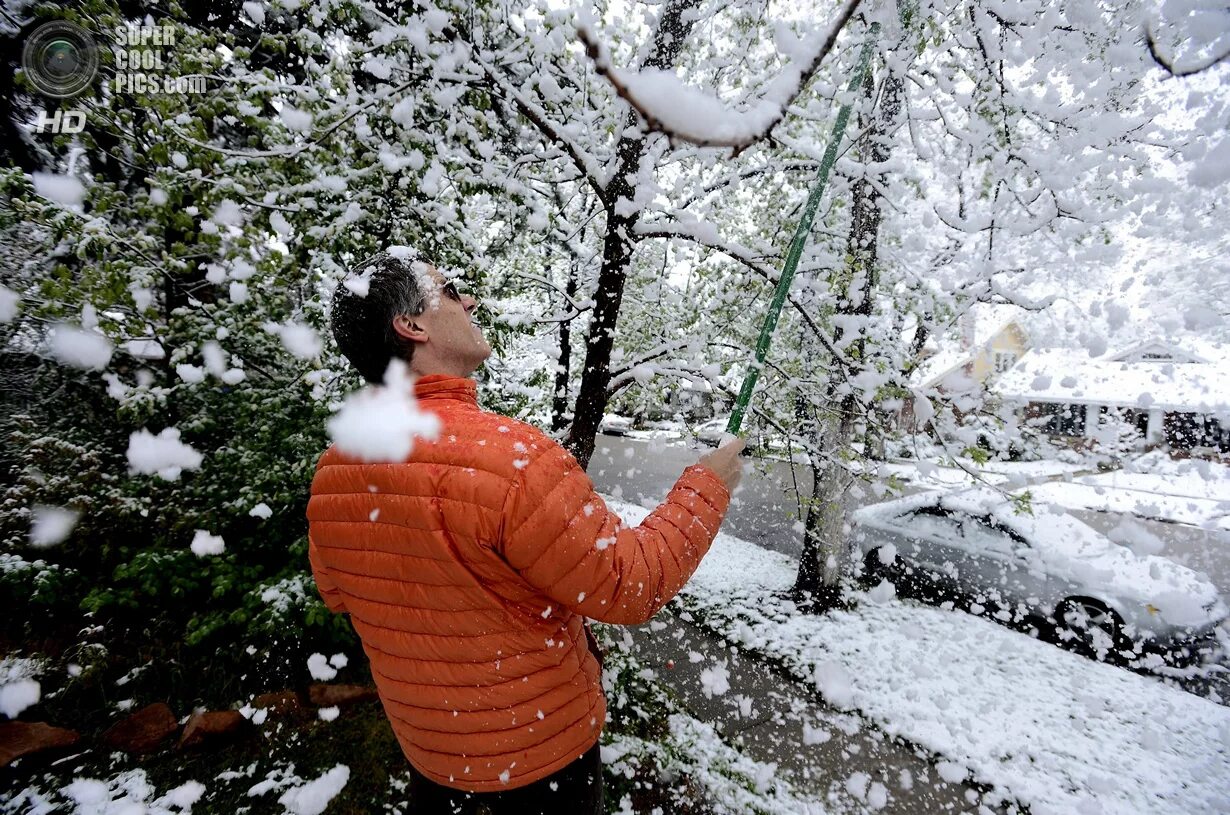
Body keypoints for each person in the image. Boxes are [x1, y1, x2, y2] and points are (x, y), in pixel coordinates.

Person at [307, 252, 745, 814]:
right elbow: (631, 584)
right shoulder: (512, 460)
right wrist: (710, 483)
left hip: (432, 759)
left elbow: (339, 592)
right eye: (451, 291)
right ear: (411, 327)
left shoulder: (336, 469)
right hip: (541, 761)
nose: (469, 301)